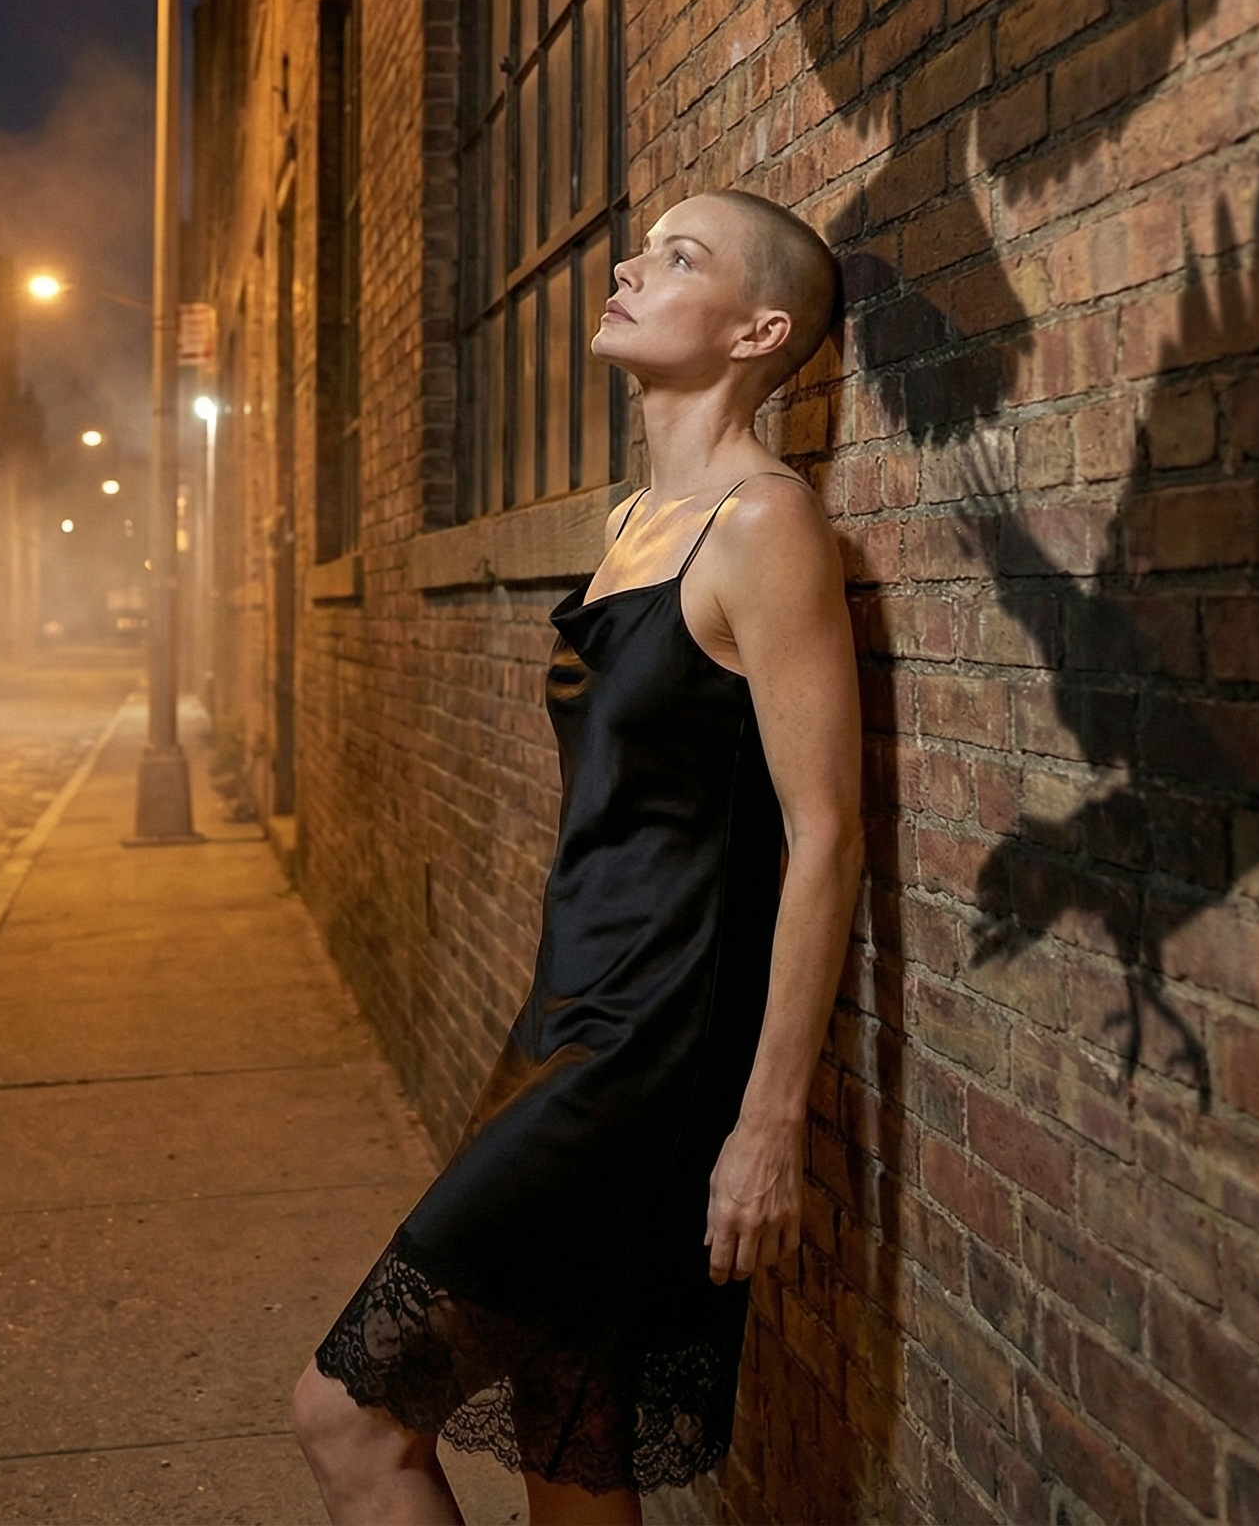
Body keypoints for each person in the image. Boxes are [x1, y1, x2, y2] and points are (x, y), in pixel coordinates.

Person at [294, 189, 864, 1524]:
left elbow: (824, 830)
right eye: (643, 247)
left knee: (348, 1418)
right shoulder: (629, 526)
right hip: (568, 1014)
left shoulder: (765, 525)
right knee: (573, 1445)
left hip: (652, 1053)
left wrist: (767, 1121)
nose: (627, 267)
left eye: (680, 258)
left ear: (757, 329)